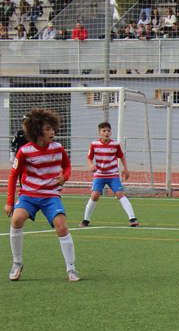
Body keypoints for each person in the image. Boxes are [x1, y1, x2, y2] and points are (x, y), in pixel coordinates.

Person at [6, 108, 79, 282]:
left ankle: (71, 268)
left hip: (50, 195)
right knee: (16, 220)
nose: (52, 132)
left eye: (52, 128)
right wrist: (9, 201)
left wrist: (64, 177)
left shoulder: (58, 148)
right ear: (38, 131)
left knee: (61, 226)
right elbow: (13, 175)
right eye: (48, 129)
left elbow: (67, 167)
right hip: (29, 194)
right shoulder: (24, 151)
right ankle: (17, 263)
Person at [79, 122, 139, 228]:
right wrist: (91, 165)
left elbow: (122, 156)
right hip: (99, 175)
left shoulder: (115, 144)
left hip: (113, 175)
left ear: (111, 132)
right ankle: (85, 220)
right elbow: (89, 157)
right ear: (99, 132)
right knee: (95, 195)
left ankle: (132, 219)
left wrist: (126, 169)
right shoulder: (94, 144)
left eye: (108, 131)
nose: (106, 133)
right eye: (104, 131)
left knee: (120, 194)